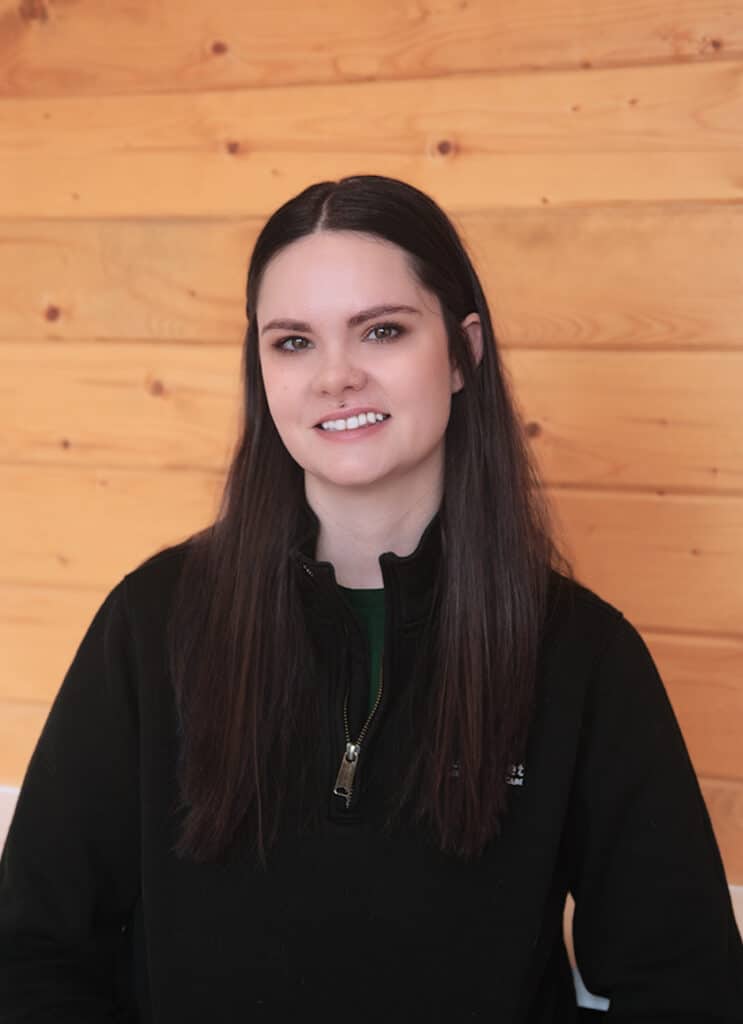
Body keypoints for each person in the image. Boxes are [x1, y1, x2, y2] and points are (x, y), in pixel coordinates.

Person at [0, 174, 741, 1023]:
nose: (335, 377)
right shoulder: (151, 621)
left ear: (462, 354)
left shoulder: (584, 656)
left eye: (380, 331)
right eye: (292, 343)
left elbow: (686, 983)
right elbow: (33, 948)